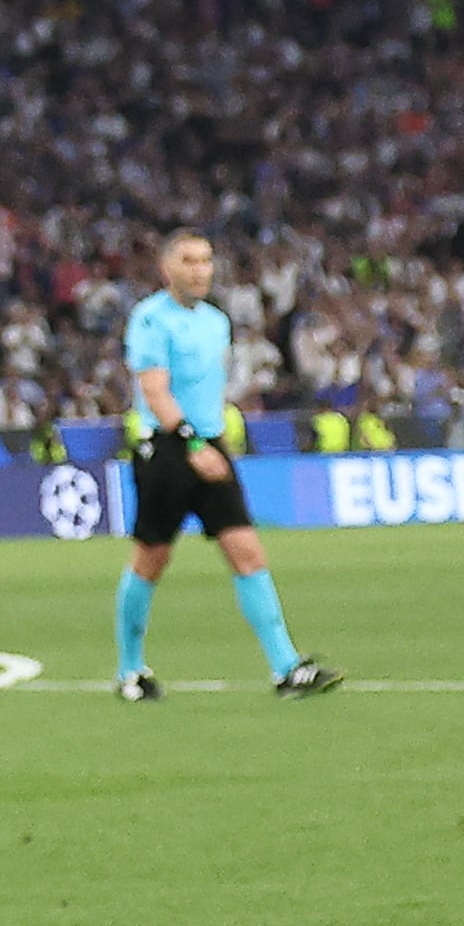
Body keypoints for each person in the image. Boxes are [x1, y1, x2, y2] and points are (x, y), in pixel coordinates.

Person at [115, 231, 340, 700]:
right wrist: (192, 442)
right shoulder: (150, 319)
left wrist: (212, 438)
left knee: (248, 552)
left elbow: (207, 389)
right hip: (169, 448)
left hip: (209, 443)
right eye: (188, 260)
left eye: (206, 260)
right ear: (166, 269)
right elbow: (155, 390)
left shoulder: (217, 321)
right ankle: (130, 671)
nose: (200, 269)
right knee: (151, 560)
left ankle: (286, 668)